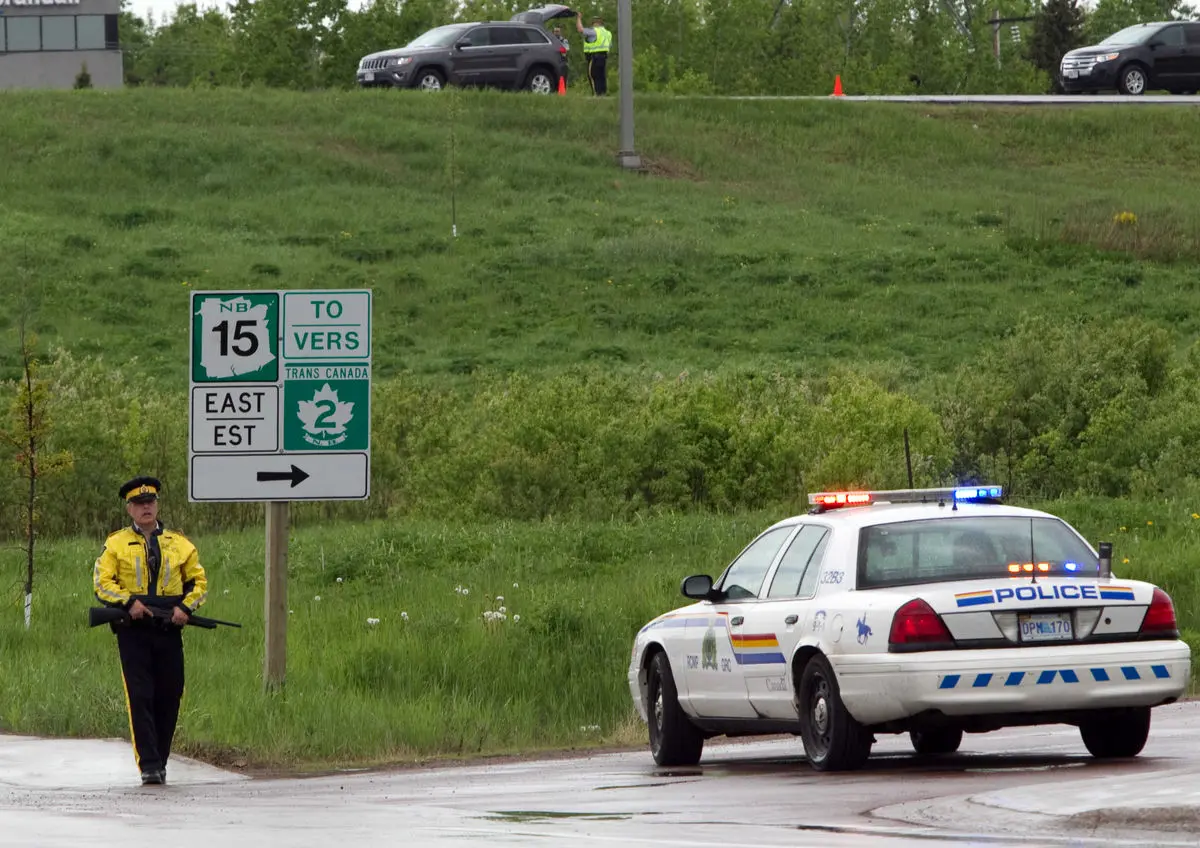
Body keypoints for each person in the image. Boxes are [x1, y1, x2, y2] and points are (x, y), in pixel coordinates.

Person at [93, 476, 208, 786]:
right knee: (140, 695)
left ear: (157, 505)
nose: (146, 507)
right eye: (139, 503)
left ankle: (161, 759)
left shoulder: (180, 544)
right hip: (133, 631)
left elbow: (198, 583)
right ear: (129, 509)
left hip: (169, 628)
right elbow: (102, 583)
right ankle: (149, 765)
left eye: (150, 502)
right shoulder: (115, 544)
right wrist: (128, 602)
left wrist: (185, 608)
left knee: (170, 694)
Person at [575, 12, 612, 96]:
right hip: (603, 57)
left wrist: (579, 18)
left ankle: (596, 94)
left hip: (594, 57)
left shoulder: (594, 31)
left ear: (595, 23)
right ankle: (602, 93)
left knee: (593, 75)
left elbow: (580, 29)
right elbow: (609, 45)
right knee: (601, 76)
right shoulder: (608, 33)